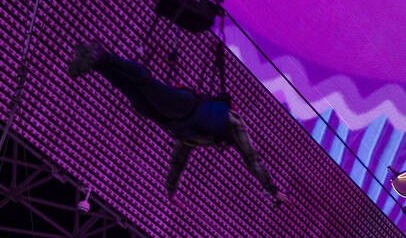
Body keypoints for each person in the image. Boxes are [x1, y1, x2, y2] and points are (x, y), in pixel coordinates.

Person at [66, 42, 285, 205]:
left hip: (168, 118)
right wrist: (271, 190)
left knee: (129, 87)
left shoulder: (198, 139)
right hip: (184, 106)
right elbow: (251, 159)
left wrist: (170, 189)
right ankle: (102, 56)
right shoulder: (232, 123)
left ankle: (96, 62)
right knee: (145, 82)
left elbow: (178, 161)